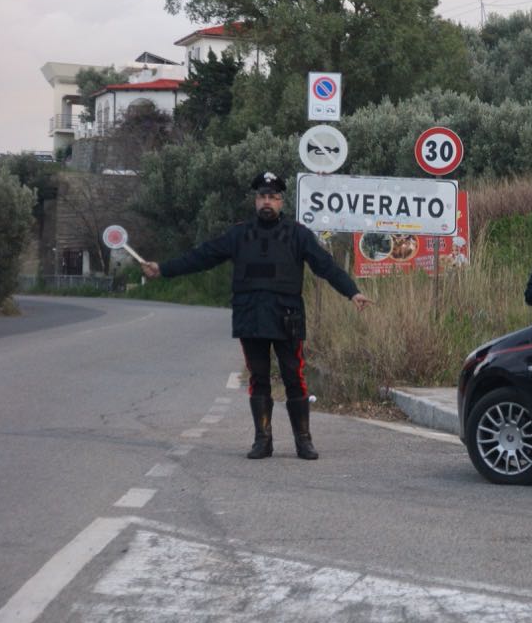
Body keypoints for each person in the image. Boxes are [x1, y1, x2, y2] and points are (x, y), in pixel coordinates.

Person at [140, 171, 371, 461]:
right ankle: (262, 440)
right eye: (263, 196)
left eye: (273, 197)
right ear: (255, 200)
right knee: (258, 378)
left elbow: (326, 266)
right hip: (251, 316)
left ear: (281, 201)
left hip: (287, 317)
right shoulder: (239, 234)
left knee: (294, 377)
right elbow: (202, 256)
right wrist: (164, 269)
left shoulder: (298, 234)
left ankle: (304, 441)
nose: (267, 202)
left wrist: (352, 292)